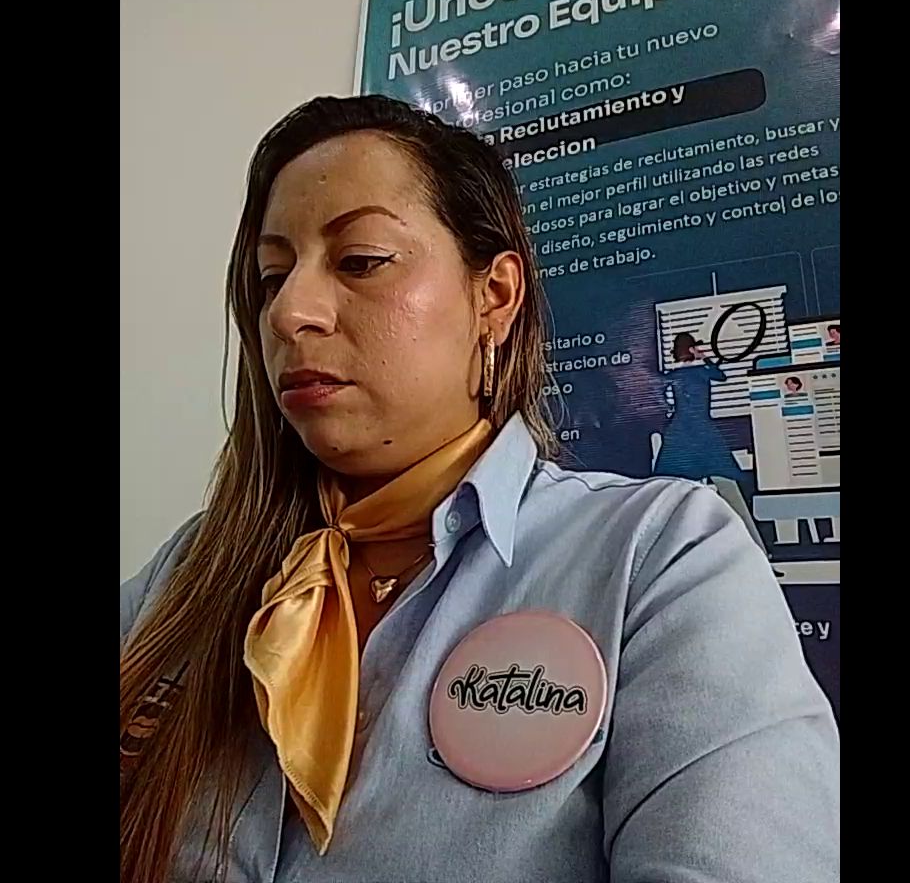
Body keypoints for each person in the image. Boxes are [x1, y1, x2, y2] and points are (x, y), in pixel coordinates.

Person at [120, 95, 839, 883]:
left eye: (361, 260)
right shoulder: (187, 576)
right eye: (271, 276)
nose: (290, 312)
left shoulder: (659, 557)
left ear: (493, 296)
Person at [654, 332, 745, 482]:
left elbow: (657, 390)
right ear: (691, 350)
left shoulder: (674, 375)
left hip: (682, 426)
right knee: (723, 471)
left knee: (669, 475)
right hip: (700, 426)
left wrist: (667, 409)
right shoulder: (702, 372)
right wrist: (704, 358)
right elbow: (720, 375)